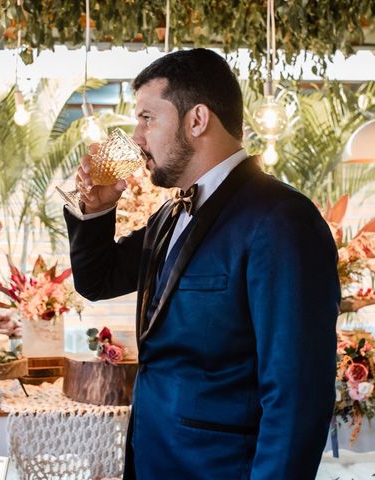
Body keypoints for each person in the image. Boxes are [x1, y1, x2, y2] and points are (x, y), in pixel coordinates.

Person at [64, 48, 340, 479]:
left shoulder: (282, 219)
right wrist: (95, 211)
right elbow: (97, 279)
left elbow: (297, 394)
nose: (137, 137)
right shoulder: (169, 215)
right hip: (155, 461)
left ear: (197, 120)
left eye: (147, 118)